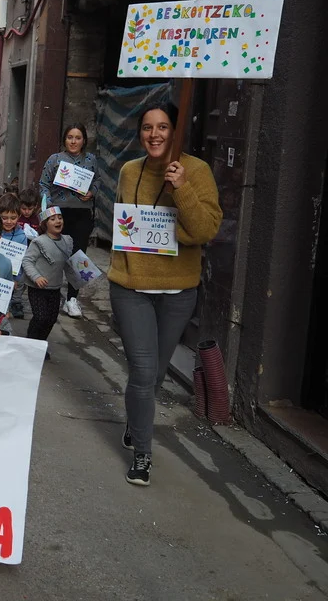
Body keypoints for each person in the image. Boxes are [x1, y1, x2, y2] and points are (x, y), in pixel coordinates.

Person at [109, 101, 222, 487]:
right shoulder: (129, 171)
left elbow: (204, 231)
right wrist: (119, 268)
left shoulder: (197, 171)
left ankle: (135, 421)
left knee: (155, 375)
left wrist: (182, 188)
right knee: (143, 372)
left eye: (162, 127)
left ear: (175, 131)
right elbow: (123, 224)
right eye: (147, 127)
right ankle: (143, 453)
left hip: (177, 293)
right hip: (131, 288)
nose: (154, 134)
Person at [39, 122, 98, 319]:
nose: (73, 141)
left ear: (84, 141)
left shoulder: (91, 160)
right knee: (53, 255)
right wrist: (49, 209)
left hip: (82, 214)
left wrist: (92, 192)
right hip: (58, 213)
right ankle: (51, 294)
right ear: (64, 139)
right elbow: (43, 184)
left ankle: (72, 299)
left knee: (78, 257)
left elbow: (97, 181)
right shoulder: (55, 159)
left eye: (78, 138)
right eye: (70, 137)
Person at [21, 200, 74, 355]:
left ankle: (40, 345)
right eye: (53, 219)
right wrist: (36, 277)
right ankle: (30, 344)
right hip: (37, 288)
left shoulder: (67, 241)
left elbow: (69, 262)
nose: (58, 221)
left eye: (60, 218)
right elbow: (27, 261)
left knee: (51, 319)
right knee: (40, 317)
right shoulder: (39, 242)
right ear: (45, 224)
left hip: (55, 287)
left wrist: (81, 273)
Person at [0, 192, 28, 319]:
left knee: (3, 309)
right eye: (4, 218)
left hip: (9, 278)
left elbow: (20, 261)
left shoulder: (21, 237)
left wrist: (15, 279)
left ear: (19, 216)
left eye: (13, 218)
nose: (9, 221)